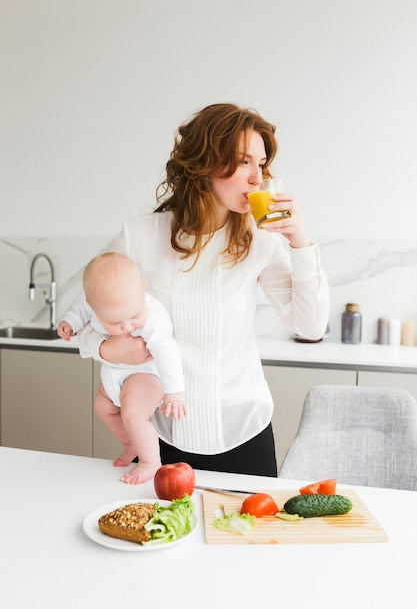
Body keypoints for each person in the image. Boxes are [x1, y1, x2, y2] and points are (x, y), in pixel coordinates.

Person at [78, 103, 330, 478]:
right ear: (205, 163)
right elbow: (80, 316)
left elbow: (310, 327)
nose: (256, 178)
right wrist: (100, 346)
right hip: (161, 436)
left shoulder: (261, 239)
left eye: (260, 165)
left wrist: (301, 244)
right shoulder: (139, 237)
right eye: (244, 162)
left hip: (245, 433)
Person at [57, 252, 186, 484]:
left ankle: (150, 462)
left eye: (134, 317)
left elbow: (167, 350)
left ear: (143, 289)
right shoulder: (94, 300)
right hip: (113, 372)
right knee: (102, 406)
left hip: (145, 374)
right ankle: (130, 443)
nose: (127, 326)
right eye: (116, 323)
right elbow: (80, 308)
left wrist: (174, 391)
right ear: (93, 305)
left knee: (133, 413)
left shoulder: (153, 316)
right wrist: (71, 322)